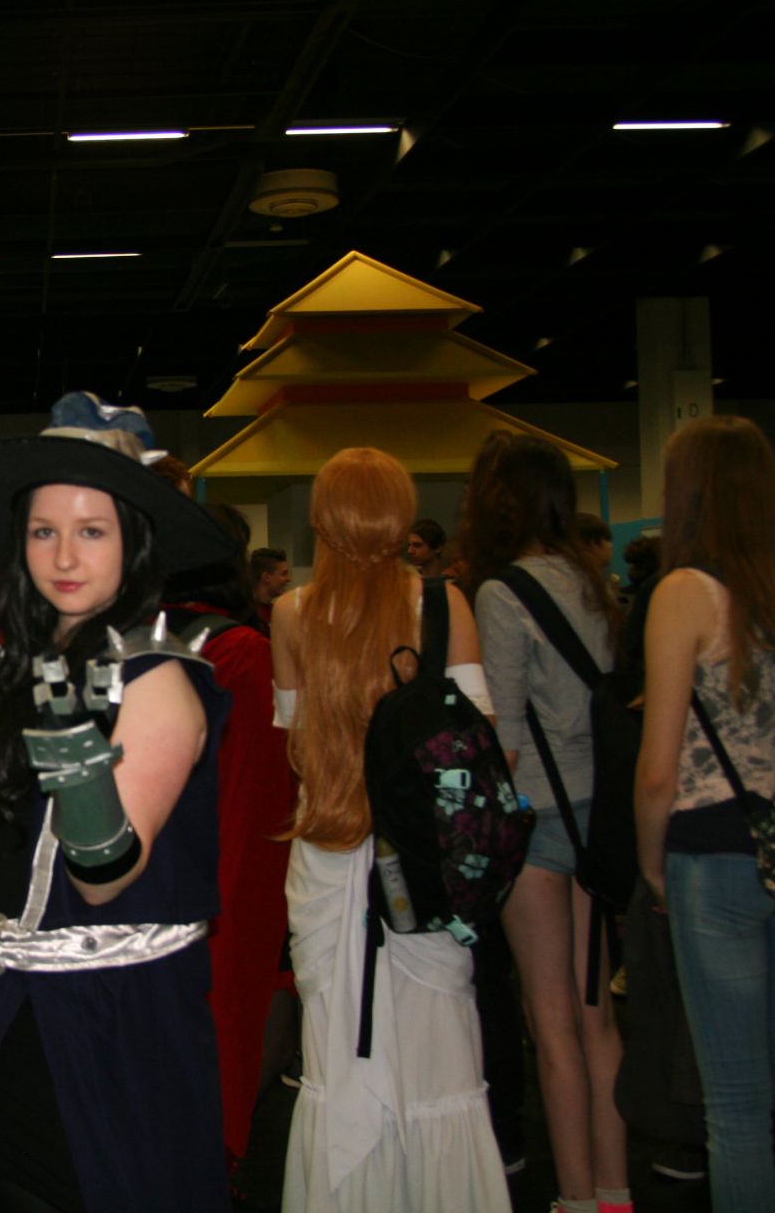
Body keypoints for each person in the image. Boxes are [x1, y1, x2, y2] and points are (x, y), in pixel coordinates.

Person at [0, 392, 235, 1212]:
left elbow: (104, 875)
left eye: (92, 531)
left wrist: (74, 753)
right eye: (43, 531)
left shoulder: (156, 680)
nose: (64, 555)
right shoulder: (15, 669)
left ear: (134, 541)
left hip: (100, 1025)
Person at [271, 447, 509, 1213]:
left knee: (336, 1057)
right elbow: (483, 745)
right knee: (441, 1061)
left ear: (321, 522)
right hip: (429, 867)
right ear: (402, 517)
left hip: (330, 858)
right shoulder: (444, 605)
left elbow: (299, 748)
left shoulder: (292, 613)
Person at [636, 415, 775, 1213]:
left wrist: (652, 867)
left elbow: (659, 770)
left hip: (713, 856)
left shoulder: (683, 593)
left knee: (735, 1105)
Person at [462, 432, 629, 1213]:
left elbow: (506, 736)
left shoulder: (501, 593)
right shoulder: (591, 580)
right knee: (599, 1019)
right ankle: (615, 1191)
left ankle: (576, 1199)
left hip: (536, 819)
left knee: (549, 1022)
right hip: (601, 815)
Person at [160, 502, 298, 1173]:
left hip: (145, 877)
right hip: (214, 877)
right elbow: (261, 798)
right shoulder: (242, 651)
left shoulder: (134, 640)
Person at [248, 546, 291, 635]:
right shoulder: (248, 616)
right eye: (284, 574)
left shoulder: (275, 612)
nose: (288, 579)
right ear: (266, 577)